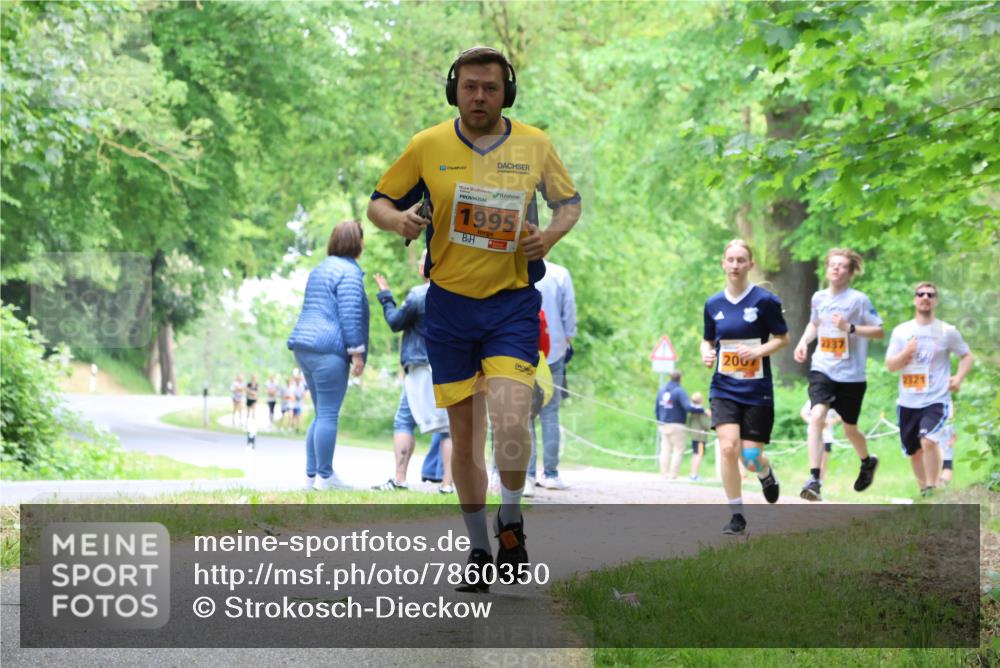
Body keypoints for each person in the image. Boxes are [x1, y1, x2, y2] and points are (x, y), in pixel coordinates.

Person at [367, 46, 581, 591]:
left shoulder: (534, 143)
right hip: (448, 308)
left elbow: (569, 204)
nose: (479, 96)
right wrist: (401, 221)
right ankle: (479, 549)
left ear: (504, 91)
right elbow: (378, 203)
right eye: (469, 86)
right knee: (464, 440)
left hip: (510, 303)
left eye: (489, 87)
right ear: (454, 90)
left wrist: (547, 237)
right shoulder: (427, 145)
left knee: (511, 423)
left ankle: (510, 521)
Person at [701, 239, 788, 535]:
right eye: (731, 260)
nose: (735, 265)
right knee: (728, 448)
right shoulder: (713, 304)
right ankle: (736, 514)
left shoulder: (765, 301)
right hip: (724, 386)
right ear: (723, 263)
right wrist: (706, 352)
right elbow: (708, 339)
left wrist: (759, 352)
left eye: (741, 260)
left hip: (756, 389)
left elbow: (782, 338)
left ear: (750, 264)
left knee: (750, 458)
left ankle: (764, 471)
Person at [793, 248, 884, 501]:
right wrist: (803, 342)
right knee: (817, 415)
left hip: (852, 375)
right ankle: (814, 478)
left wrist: (850, 327)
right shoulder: (819, 297)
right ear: (827, 268)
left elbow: (879, 331)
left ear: (850, 271)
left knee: (849, 429)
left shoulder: (859, 300)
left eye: (842, 265)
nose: (836, 268)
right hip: (823, 367)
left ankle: (866, 461)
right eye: (832, 264)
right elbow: (815, 323)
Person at [287, 220, 369, 491]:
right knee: (329, 413)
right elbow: (350, 314)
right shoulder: (350, 273)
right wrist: (357, 353)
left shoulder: (319, 269)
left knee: (321, 412)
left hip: (304, 346)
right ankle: (326, 476)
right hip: (328, 348)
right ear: (357, 243)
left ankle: (311, 478)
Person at [372, 251, 455, 494]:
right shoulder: (456, 298)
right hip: (447, 368)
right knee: (447, 427)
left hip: (419, 367)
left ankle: (399, 478)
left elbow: (396, 322)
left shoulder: (418, 295)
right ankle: (447, 484)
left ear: (423, 270)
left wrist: (386, 296)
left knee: (404, 420)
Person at [885, 282, 973, 497]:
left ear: (936, 301)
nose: (925, 297)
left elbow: (966, 356)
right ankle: (924, 490)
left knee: (928, 440)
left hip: (936, 399)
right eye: (921, 294)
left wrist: (959, 377)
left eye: (930, 295)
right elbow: (890, 366)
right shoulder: (902, 331)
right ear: (915, 299)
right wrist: (906, 352)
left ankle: (933, 488)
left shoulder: (946, 331)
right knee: (914, 450)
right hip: (908, 400)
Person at [527, 257, 576, 492]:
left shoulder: (514, 268)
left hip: (522, 350)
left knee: (525, 415)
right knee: (550, 413)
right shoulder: (559, 274)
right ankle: (551, 473)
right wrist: (567, 339)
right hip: (553, 352)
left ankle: (526, 476)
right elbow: (569, 311)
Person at [655, 372, 705, 479]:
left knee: (665, 450)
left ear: (670, 378)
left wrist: (659, 420)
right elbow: (687, 407)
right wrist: (702, 409)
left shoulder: (661, 390)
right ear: (680, 379)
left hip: (664, 424)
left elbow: (657, 408)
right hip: (677, 424)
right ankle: (673, 474)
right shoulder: (679, 391)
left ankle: (664, 473)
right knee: (677, 450)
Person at [799, 399, 841, 481]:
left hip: (827, 436)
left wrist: (830, 421)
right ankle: (813, 479)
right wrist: (814, 422)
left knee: (824, 460)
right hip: (813, 434)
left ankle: (819, 481)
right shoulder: (812, 400)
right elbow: (803, 413)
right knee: (814, 458)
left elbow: (840, 416)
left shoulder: (833, 402)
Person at [687, 392, 711, 481]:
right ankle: (694, 475)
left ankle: (692, 473)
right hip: (700, 437)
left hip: (694, 435)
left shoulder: (692, 411)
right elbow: (705, 425)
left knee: (694, 454)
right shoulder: (702, 411)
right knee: (699, 455)